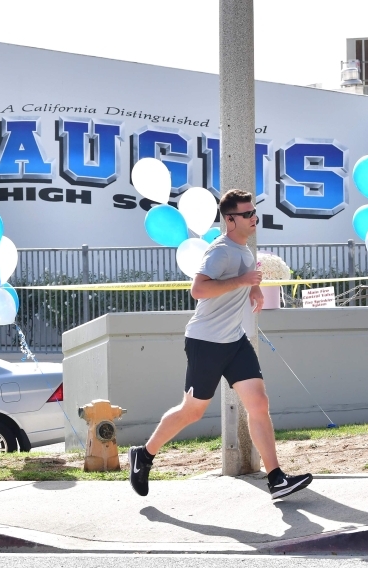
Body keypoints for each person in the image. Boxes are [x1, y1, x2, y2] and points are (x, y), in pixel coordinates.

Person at [128, 189, 313, 501]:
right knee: (192, 411)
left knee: (259, 403)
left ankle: (276, 478)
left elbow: (243, 280)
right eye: (247, 214)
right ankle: (144, 455)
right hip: (206, 342)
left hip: (234, 340)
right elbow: (198, 289)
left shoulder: (244, 249)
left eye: (254, 212)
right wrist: (242, 283)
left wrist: (252, 290)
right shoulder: (220, 251)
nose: (255, 218)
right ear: (230, 220)